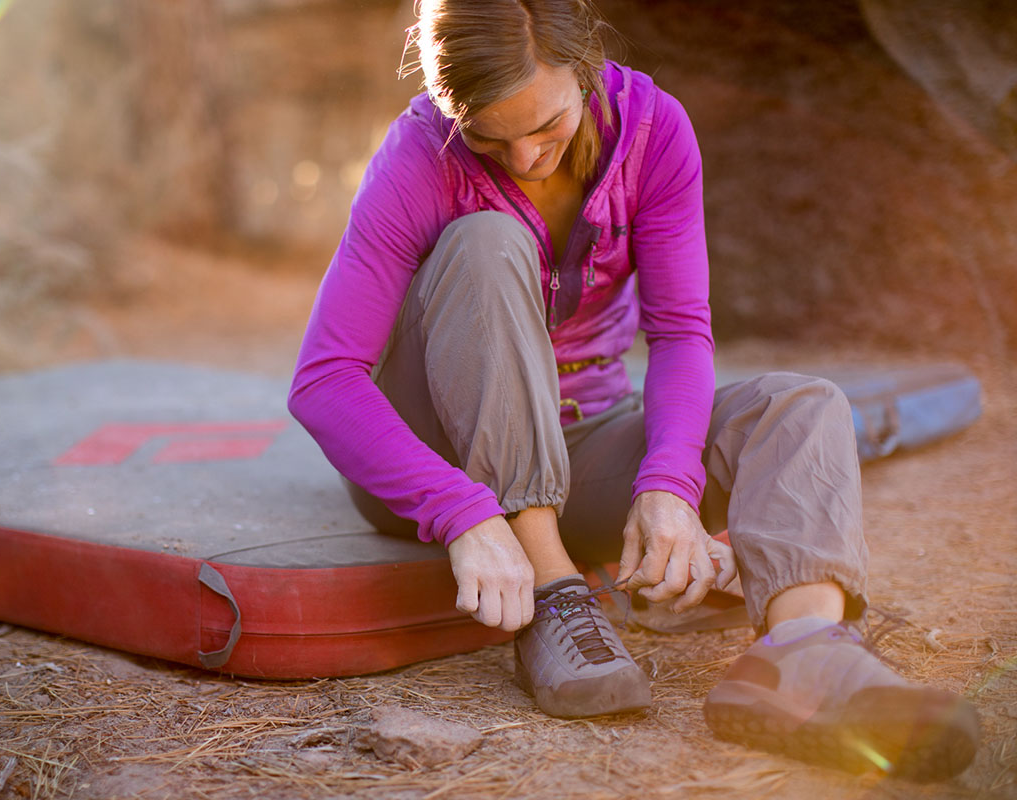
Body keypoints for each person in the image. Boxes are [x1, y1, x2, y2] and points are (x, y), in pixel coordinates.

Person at [288, 0, 979, 782]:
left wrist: (668, 486)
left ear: (584, 68)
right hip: (443, 451)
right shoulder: (420, 155)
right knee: (487, 240)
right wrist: (461, 511)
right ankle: (556, 597)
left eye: (545, 125)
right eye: (489, 135)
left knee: (801, 405)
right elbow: (325, 382)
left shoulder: (653, 132)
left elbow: (681, 334)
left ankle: (802, 659)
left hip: (585, 433)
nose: (524, 157)